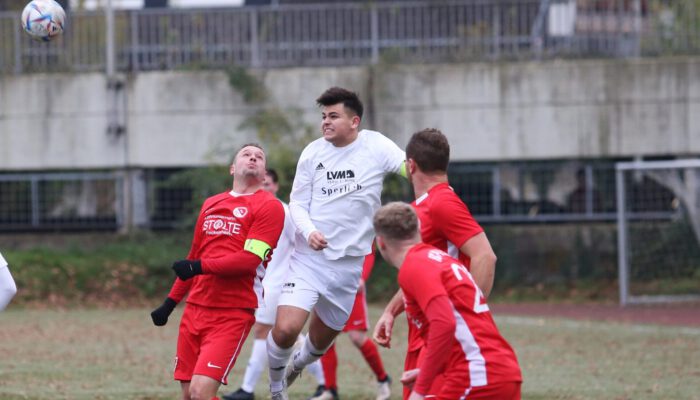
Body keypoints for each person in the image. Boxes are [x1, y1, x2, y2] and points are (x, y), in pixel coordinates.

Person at [266, 87, 406, 399]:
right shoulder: (312, 153)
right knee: (287, 329)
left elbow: (411, 168)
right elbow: (298, 204)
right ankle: (277, 388)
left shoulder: (376, 145)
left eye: (333, 116)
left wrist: (432, 185)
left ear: (354, 121)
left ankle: (299, 364)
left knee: (317, 346)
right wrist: (310, 232)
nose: (325, 122)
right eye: (323, 117)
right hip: (309, 260)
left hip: (349, 268)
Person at [150, 143, 286, 400]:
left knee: (201, 391)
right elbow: (193, 257)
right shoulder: (212, 203)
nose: (253, 158)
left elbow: (248, 260)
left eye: (259, 157)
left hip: (232, 311)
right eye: (247, 154)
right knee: (190, 394)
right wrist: (169, 303)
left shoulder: (269, 207)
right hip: (195, 308)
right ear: (233, 167)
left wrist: (198, 267)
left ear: (264, 171)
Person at [372, 128, 498, 398]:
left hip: (441, 333)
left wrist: (466, 320)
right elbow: (426, 273)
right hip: (424, 332)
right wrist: (390, 311)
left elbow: (485, 256)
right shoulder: (425, 205)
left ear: (411, 165)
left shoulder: (442, 203)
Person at [373, 202, 522, 399]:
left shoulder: (414, 266)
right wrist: (430, 370)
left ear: (380, 242)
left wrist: (420, 391)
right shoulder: (439, 259)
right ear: (419, 229)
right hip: (494, 370)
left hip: (477, 376)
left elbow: (444, 323)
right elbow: (464, 326)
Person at [223, 169, 325, 400]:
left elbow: (301, 243)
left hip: (278, 283)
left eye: (269, 184)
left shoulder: (284, 212)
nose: (265, 187)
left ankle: (248, 389)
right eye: (262, 183)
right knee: (287, 337)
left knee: (264, 332)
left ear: (277, 187)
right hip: (264, 283)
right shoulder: (256, 209)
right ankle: (324, 383)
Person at [310, 250, 391, 400]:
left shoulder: (359, 226)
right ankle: (330, 390)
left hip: (351, 287)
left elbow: (370, 251)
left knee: (357, 337)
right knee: (325, 341)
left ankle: (383, 379)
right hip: (327, 287)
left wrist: (362, 277)